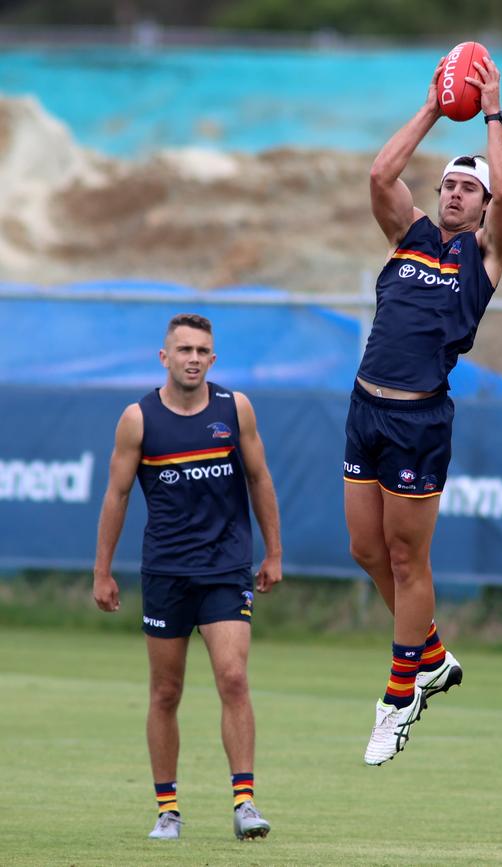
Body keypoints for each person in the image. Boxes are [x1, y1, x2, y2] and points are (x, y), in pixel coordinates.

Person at [344, 54, 502, 765]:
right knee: (365, 550)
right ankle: (435, 654)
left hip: (419, 419)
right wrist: (430, 108)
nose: (453, 193)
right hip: (365, 407)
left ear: (480, 208)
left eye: (464, 188)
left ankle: (399, 695)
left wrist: (490, 109)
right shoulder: (407, 235)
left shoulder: (487, 255)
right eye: (447, 184)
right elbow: (381, 176)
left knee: (406, 557)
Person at [93, 313, 282, 839]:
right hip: (166, 573)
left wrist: (274, 552)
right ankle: (167, 811)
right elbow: (117, 495)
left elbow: (260, 478)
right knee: (165, 693)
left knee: (234, 676)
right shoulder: (139, 419)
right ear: (164, 357)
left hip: (225, 567)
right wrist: (103, 570)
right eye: (184, 350)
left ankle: (245, 803)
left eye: (202, 350)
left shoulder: (234, 408)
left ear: (213, 358)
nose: (193, 358)